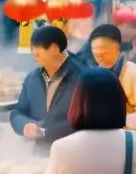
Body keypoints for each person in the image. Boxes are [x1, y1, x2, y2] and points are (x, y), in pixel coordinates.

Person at [11, 25, 85, 153]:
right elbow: (18, 111)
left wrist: (44, 128)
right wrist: (24, 125)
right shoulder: (32, 78)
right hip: (39, 154)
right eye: (32, 48)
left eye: (39, 48)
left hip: (73, 154)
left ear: (55, 48)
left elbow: (87, 119)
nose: (35, 53)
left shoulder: (83, 77)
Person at [87, 24, 136, 131]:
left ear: (118, 47)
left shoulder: (135, 73)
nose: (99, 54)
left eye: (104, 49)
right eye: (95, 49)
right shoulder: (91, 74)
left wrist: (117, 125)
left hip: (125, 135)